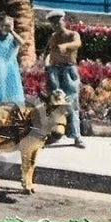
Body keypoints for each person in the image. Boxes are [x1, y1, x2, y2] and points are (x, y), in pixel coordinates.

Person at [44, 9, 84, 147]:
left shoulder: (73, 35)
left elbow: (77, 44)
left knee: (71, 103)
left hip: (69, 71)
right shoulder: (53, 37)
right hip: (55, 71)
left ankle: (76, 136)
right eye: (53, 23)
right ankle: (56, 134)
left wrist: (65, 46)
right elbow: (49, 53)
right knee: (55, 104)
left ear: (64, 21)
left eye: (58, 22)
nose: (56, 25)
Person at [0, 14, 27, 107]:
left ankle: (14, 108)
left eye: (9, 25)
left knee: (12, 89)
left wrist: (12, 31)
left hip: (10, 68)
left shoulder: (13, 38)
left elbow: (21, 43)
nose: (6, 28)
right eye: (4, 25)